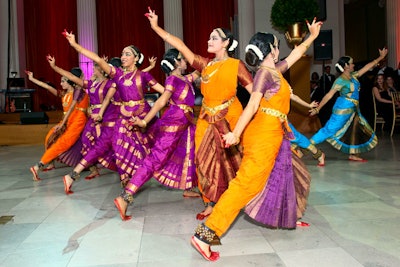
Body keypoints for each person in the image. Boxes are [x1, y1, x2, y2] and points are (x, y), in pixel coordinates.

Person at [190, 18, 323, 261]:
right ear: (271, 49)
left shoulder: (274, 70)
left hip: (276, 134)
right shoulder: (264, 74)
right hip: (262, 136)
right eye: (276, 44)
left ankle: (289, 217)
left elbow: (296, 54)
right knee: (245, 185)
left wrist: (312, 36)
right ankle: (206, 234)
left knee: (287, 173)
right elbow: (251, 105)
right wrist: (235, 133)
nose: (279, 47)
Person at [146, 8, 254, 220]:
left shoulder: (236, 65)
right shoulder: (205, 65)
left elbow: (255, 94)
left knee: (234, 160)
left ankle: (237, 198)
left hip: (230, 116)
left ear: (225, 43)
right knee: (202, 161)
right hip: (205, 117)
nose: (209, 39)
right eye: (209, 37)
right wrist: (156, 27)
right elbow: (180, 45)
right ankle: (210, 202)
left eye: (214, 37)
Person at [62, 30, 164, 193]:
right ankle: (126, 181)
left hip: (144, 115)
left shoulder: (143, 75)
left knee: (158, 144)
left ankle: (144, 177)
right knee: (120, 147)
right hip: (124, 117)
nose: (123, 56)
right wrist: (75, 45)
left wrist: (174, 99)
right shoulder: (117, 76)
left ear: (136, 58)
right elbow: (96, 59)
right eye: (122, 54)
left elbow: (163, 91)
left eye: (127, 54)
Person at [113, 48, 201, 220]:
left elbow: (200, 68)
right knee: (155, 159)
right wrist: (145, 121)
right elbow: (161, 101)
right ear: (176, 62)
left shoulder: (185, 78)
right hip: (174, 123)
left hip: (187, 122)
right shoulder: (172, 79)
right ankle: (125, 197)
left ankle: (189, 188)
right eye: (183, 59)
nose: (186, 62)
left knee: (191, 152)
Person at [309, 48, 388, 161]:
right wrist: (318, 109)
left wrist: (380, 57)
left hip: (354, 110)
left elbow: (366, 68)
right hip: (343, 109)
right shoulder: (340, 80)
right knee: (328, 130)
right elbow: (328, 95)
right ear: (346, 66)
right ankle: (304, 146)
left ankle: (353, 154)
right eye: (351, 63)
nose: (353, 65)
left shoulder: (353, 76)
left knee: (355, 129)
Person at [29, 65, 89, 181]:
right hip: (68, 120)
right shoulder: (64, 94)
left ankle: (39, 166)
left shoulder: (79, 91)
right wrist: (32, 79)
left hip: (78, 120)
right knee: (51, 138)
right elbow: (47, 86)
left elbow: (73, 108)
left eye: (63, 81)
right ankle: (47, 163)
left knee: (64, 143)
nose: (61, 83)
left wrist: (62, 124)